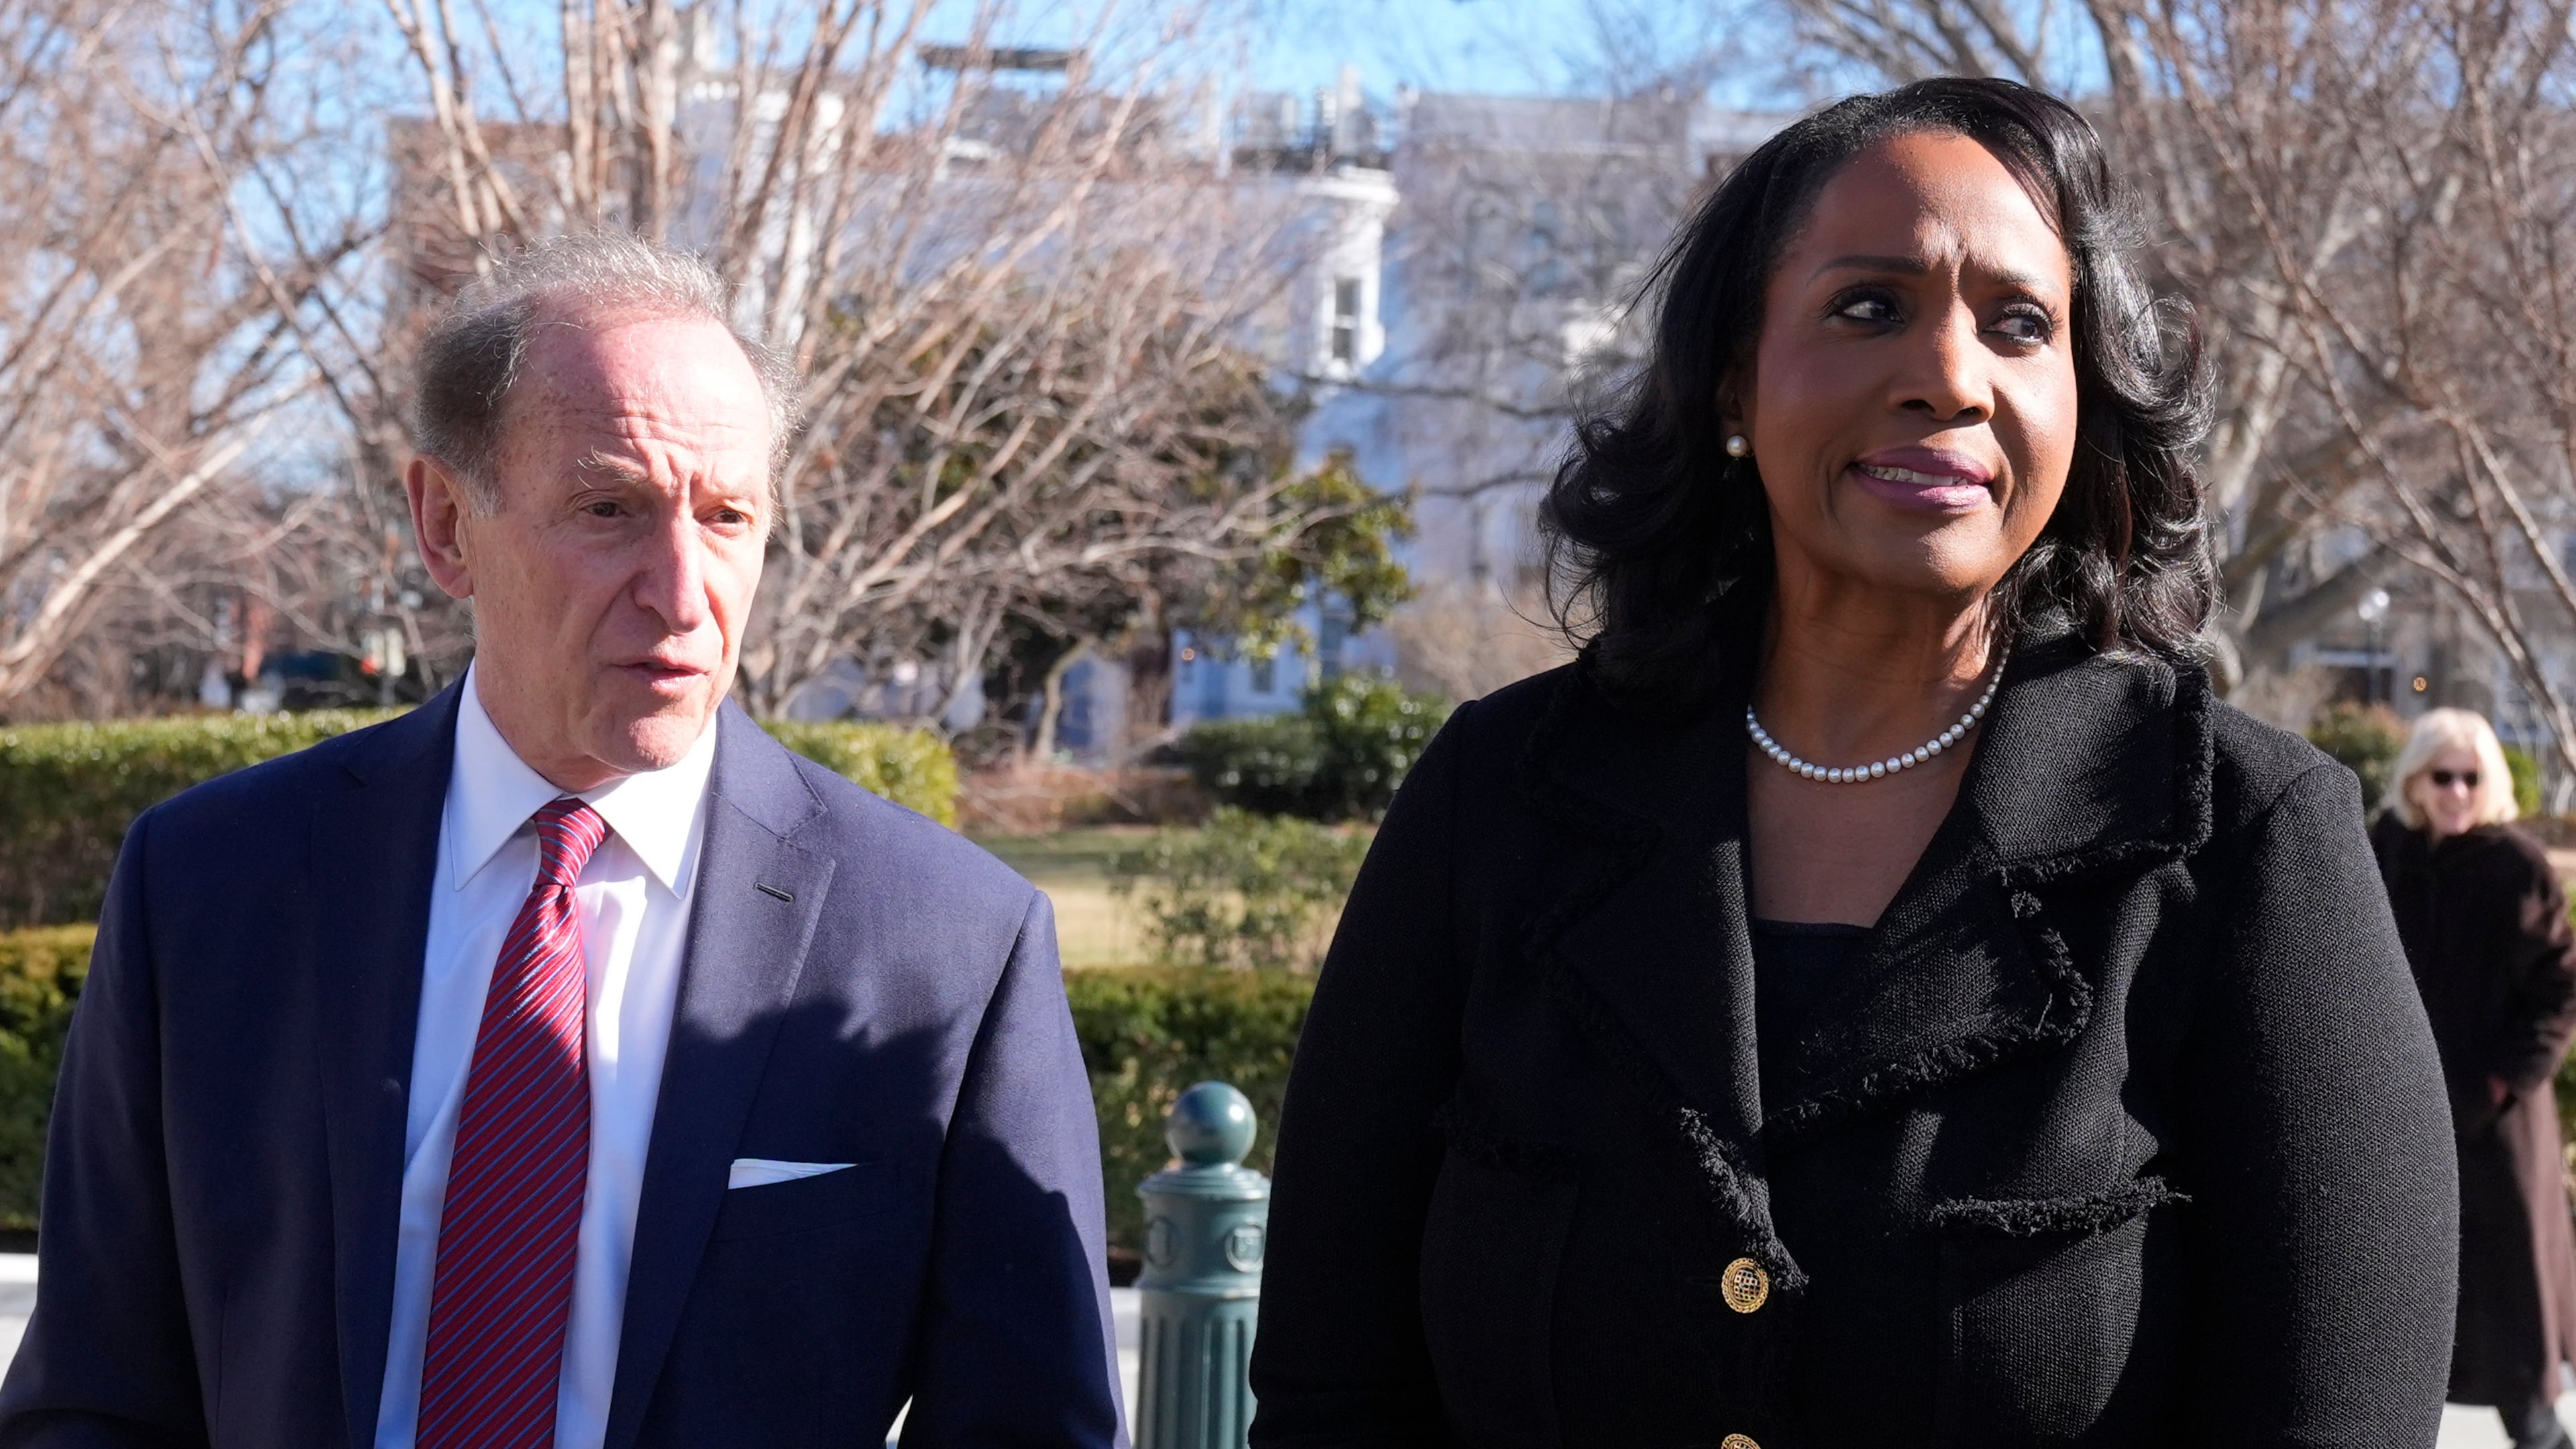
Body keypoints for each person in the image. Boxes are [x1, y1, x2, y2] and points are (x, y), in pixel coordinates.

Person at [1249, 77, 2458, 1446]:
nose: (1948, 376)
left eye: (2019, 324)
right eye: (1869, 306)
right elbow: (1329, 1394)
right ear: (1730, 384)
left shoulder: (2239, 837)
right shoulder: (1500, 794)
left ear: (2082, 401)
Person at [0, 234, 1124, 1448]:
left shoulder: (946, 945)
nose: (684, 589)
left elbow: (1034, 1425)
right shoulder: (212, 887)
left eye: (729, 515)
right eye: (610, 509)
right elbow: (95, 1397)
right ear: (443, 525)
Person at [2373, 708, 2576, 1449]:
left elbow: (2560, 993)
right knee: (2400, 1345)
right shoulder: (2385, 853)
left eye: (2472, 776)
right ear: (2416, 781)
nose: (2457, 791)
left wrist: (2495, 1088)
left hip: (2495, 1131)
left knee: (2516, 1354)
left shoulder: (2516, 866)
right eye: (2441, 775)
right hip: (2400, 1124)